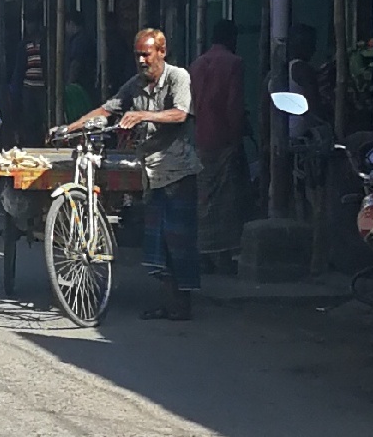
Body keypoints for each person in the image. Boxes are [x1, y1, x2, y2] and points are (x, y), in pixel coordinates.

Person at [73, 27, 198, 320]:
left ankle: (182, 306)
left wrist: (143, 115)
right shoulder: (135, 84)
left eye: (147, 54)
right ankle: (168, 305)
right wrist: (73, 126)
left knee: (178, 242)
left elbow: (181, 113)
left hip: (178, 171)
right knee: (158, 243)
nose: (142, 60)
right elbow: (108, 108)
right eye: (138, 54)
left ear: (161, 53)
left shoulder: (178, 77)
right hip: (152, 172)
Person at [190, 21, 248, 270]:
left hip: (197, 139)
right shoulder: (234, 64)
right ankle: (222, 254)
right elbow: (233, 106)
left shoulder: (196, 65)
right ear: (231, 38)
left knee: (203, 197)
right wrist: (238, 136)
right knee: (225, 200)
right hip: (222, 139)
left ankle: (202, 252)